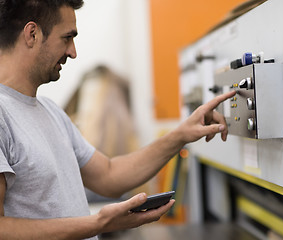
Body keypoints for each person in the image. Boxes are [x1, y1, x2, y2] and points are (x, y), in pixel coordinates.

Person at [0, 0, 236, 239]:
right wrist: (98, 223)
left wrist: (180, 135)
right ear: (32, 34)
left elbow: (109, 175)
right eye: (67, 38)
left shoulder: (51, 112)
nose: (73, 51)